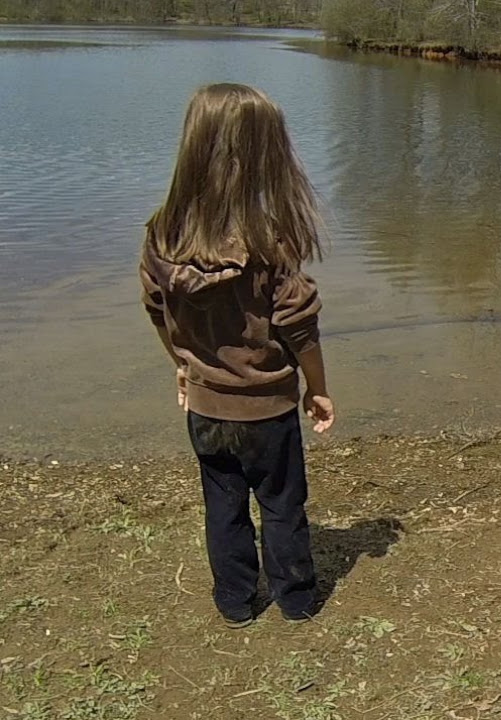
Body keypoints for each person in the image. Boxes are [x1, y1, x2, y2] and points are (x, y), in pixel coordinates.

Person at [140, 83, 336, 628]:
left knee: (223, 505)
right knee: (281, 502)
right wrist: (317, 389)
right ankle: (295, 600)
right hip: (268, 409)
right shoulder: (268, 237)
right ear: (263, 157)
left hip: (206, 407)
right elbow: (300, 326)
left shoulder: (164, 233)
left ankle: (234, 601)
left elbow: (158, 310)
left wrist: (184, 365)